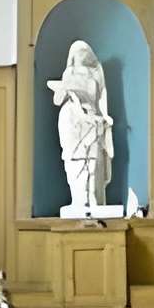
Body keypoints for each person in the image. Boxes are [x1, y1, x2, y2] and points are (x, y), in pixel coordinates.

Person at [48, 40, 114, 213]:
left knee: (92, 159)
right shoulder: (68, 73)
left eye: (84, 52)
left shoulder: (95, 75)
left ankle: (92, 197)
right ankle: (79, 199)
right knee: (73, 159)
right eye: (77, 53)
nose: (81, 56)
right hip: (71, 121)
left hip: (91, 119)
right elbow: (57, 99)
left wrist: (103, 117)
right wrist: (64, 89)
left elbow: (99, 100)